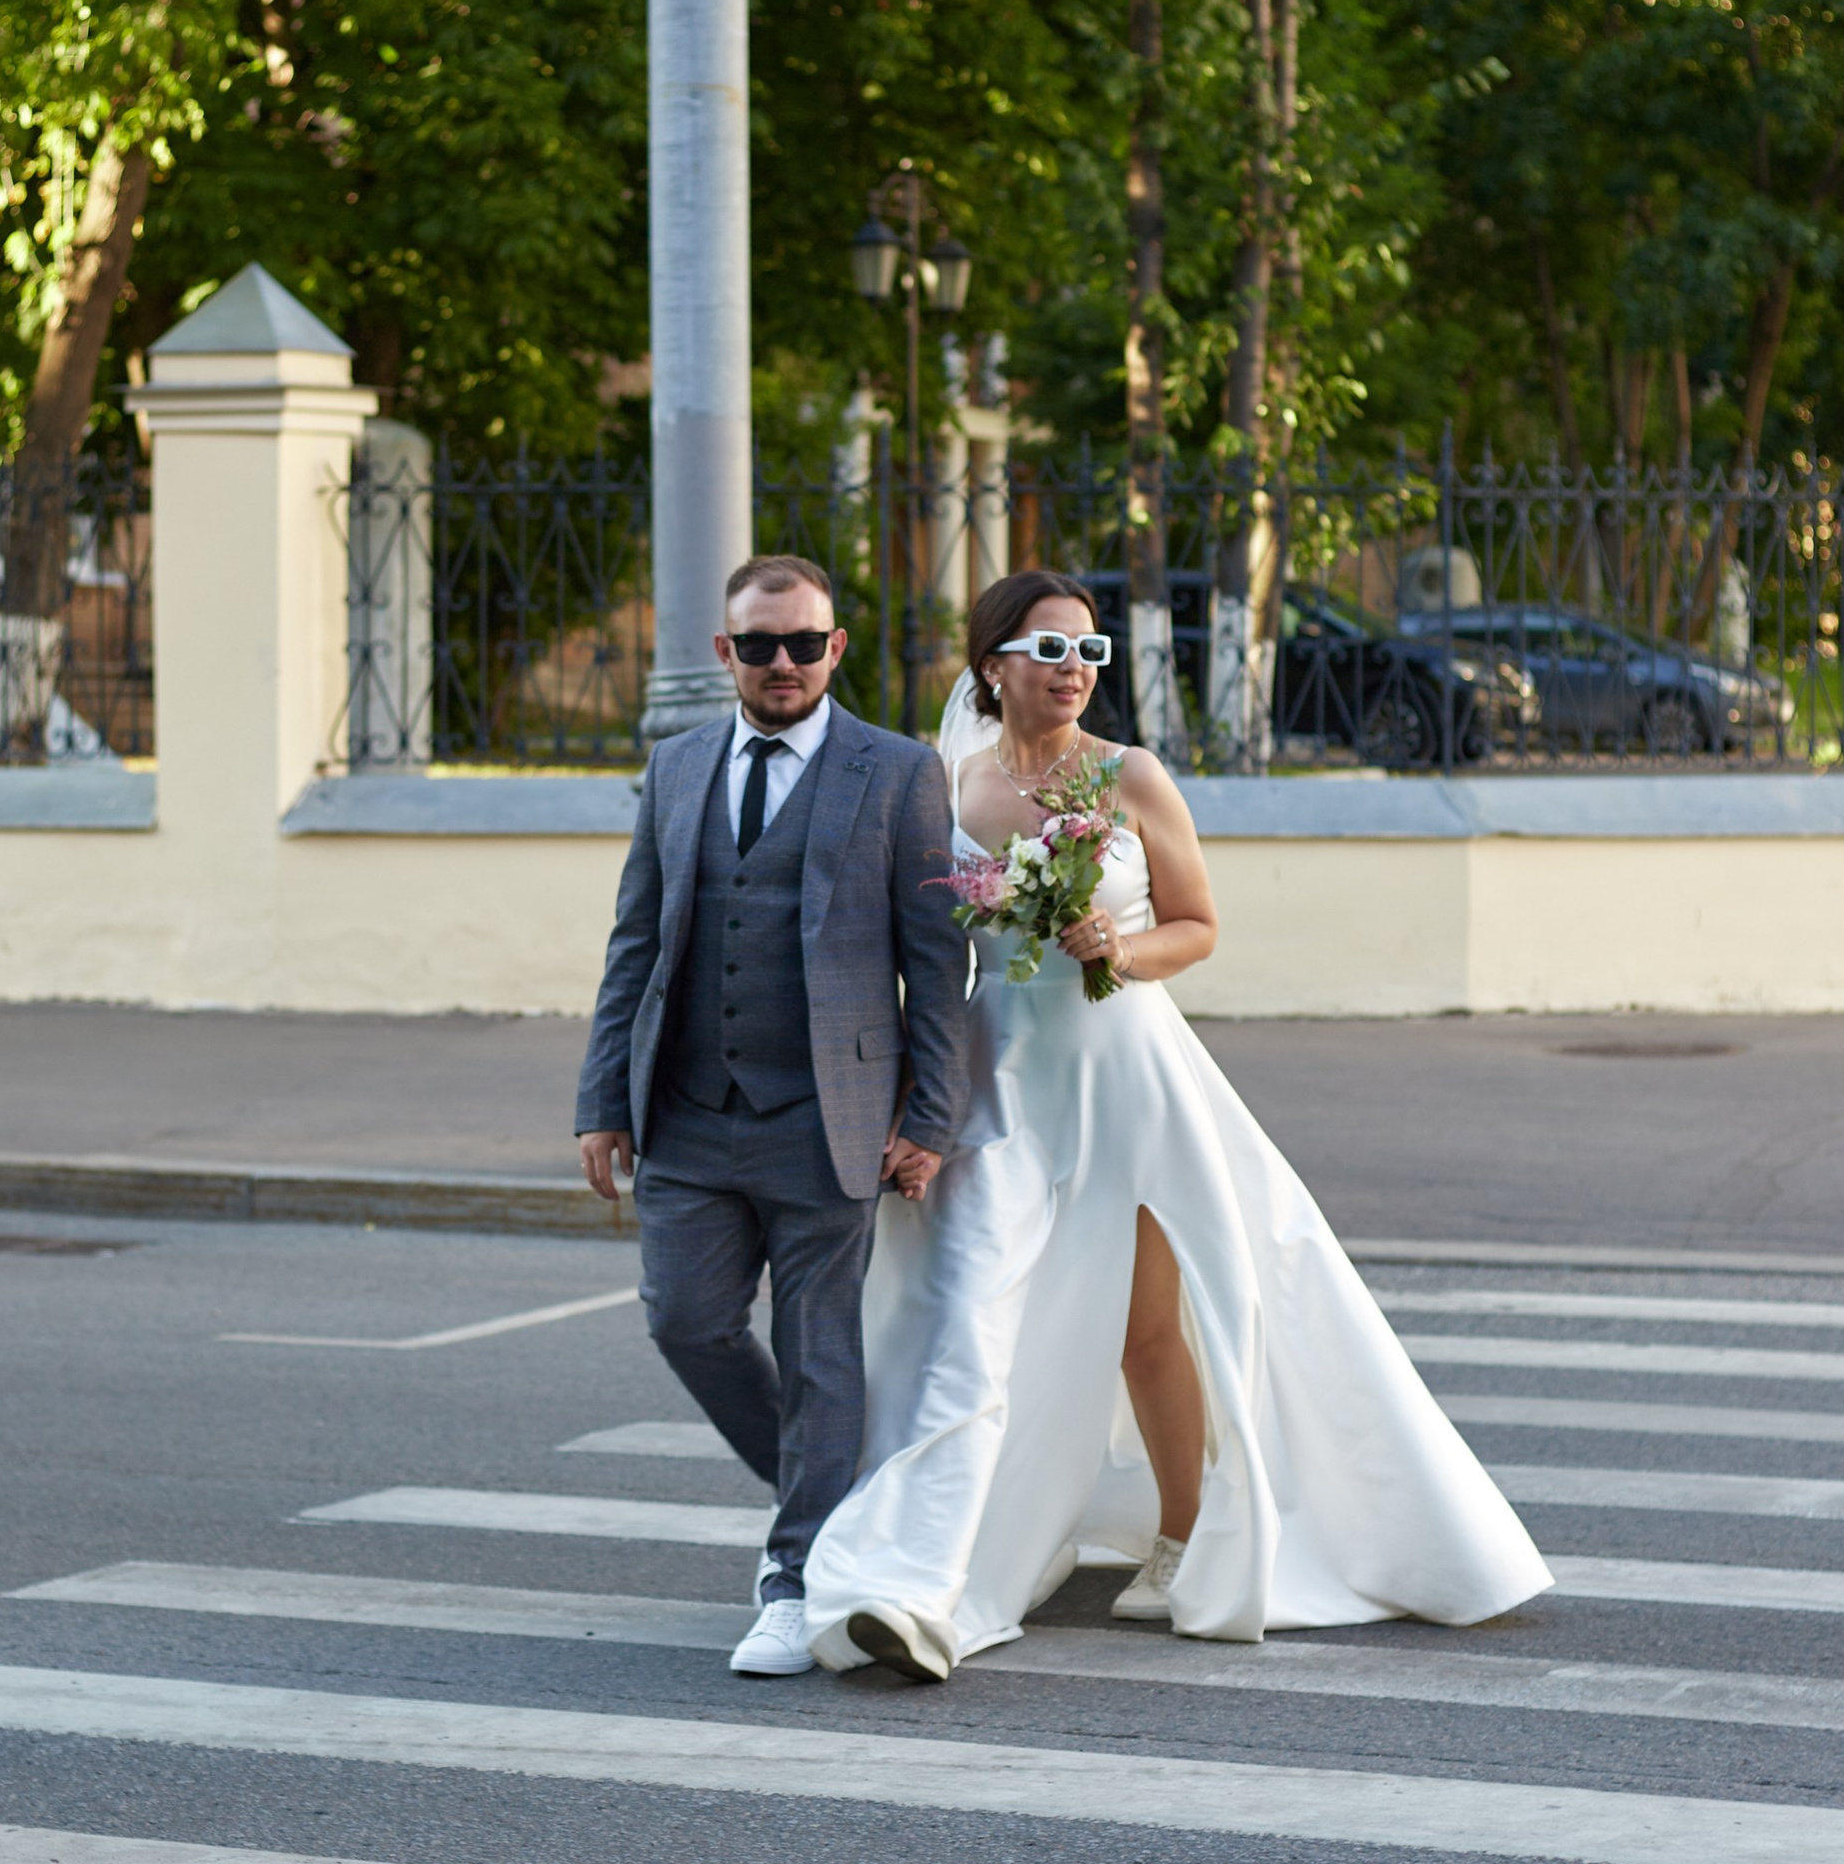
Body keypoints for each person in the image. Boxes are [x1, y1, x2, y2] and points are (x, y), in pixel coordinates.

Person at [801, 565, 1550, 1681]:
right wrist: (907, 1104)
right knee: (969, 1322)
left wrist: (1119, 949)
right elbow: (907, 956)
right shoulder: (940, 789)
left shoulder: (1130, 777)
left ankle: (1187, 1535)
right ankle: (922, 1582)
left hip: (1129, 1066)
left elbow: (1196, 924)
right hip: (999, 1081)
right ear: (992, 663)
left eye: (1089, 655)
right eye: (1050, 651)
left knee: (1155, 1325)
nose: (1073, 674)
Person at [576, 554, 971, 1675]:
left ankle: (795, 1572)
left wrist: (929, 1118)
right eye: (760, 645)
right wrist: (602, 1097)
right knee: (683, 1320)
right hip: (690, 1110)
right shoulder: (676, 766)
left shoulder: (896, 774)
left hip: (830, 1115)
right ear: (725, 655)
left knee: (819, 1353)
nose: (784, 662)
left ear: (836, 648)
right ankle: (831, 1497)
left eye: (804, 643)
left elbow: (932, 966)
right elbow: (635, 943)